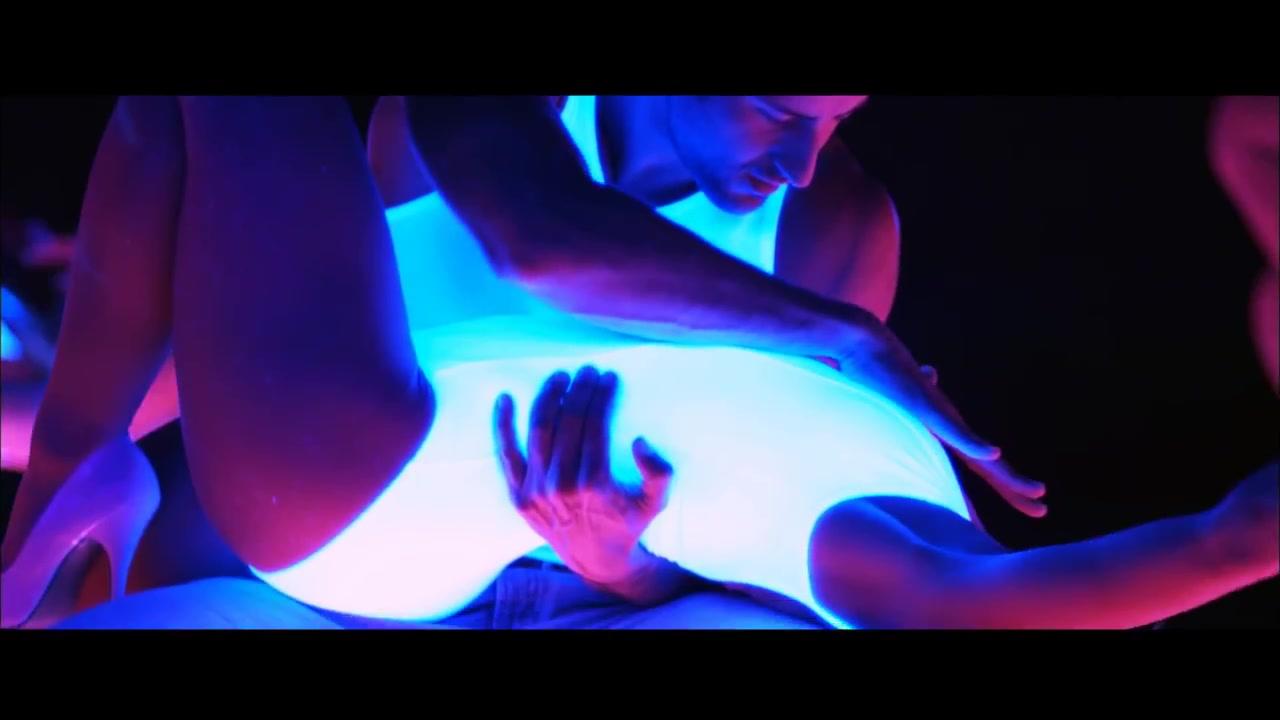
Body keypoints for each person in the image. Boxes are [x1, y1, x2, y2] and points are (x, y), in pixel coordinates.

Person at [4, 97, 1274, 630]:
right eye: (779, 111)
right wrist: (845, 336)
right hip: (353, 499)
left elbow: (751, 545)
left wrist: (614, 554)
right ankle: (71, 478)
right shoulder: (490, 116)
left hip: (551, 579)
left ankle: (69, 484)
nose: (801, 159)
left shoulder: (832, 224)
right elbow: (537, 241)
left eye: (836, 120)